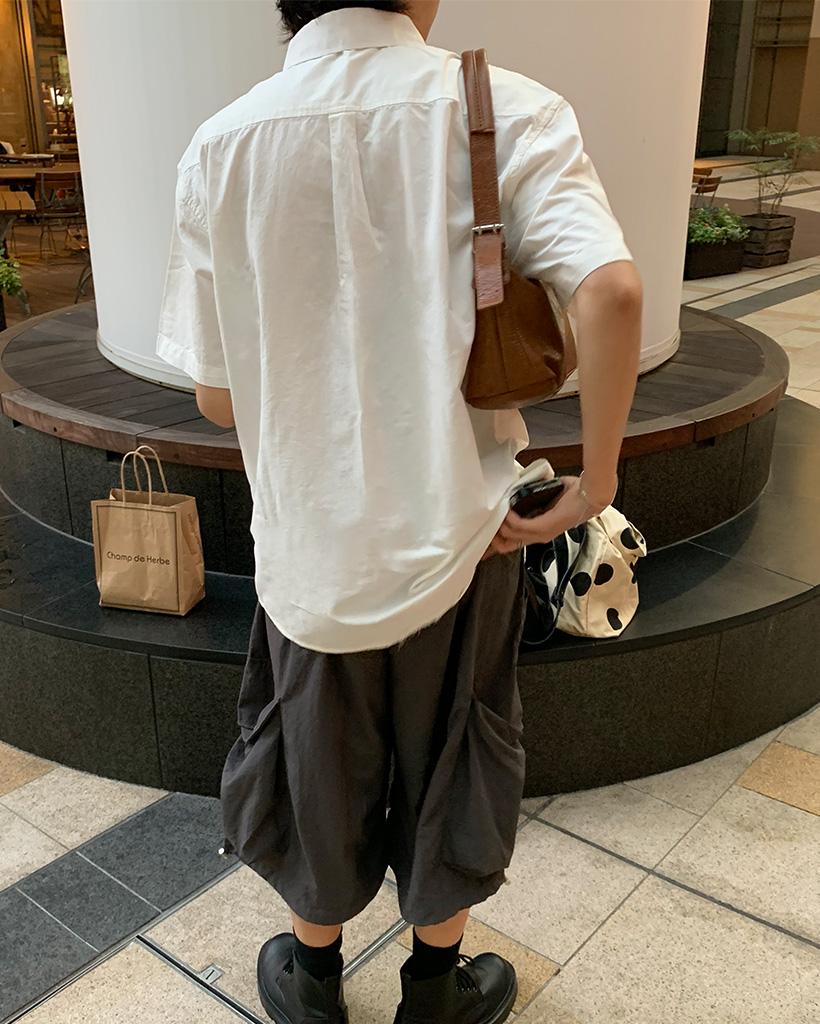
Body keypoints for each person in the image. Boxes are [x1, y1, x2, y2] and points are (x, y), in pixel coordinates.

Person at [156, 2, 642, 1022]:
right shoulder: (506, 109)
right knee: (456, 751)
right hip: (464, 536)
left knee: (312, 759)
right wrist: (594, 487)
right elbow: (610, 294)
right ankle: (434, 990)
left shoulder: (221, 144)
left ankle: (312, 983)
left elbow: (214, 396)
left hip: (310, 549)